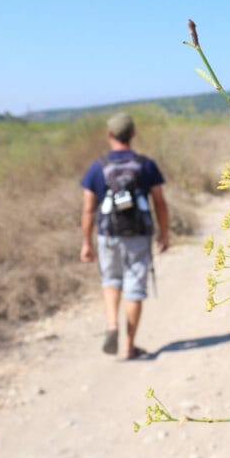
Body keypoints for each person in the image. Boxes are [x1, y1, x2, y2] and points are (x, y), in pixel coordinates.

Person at [80, 112, 169, 360]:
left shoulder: (97, 168)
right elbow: (160, 202)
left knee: (111, 281)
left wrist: (86, 243)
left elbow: (88, 209)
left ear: (109, 134)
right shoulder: (146, 165)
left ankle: (112, 325)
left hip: (108, 235)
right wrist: (164, 234)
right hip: (139, 236)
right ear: (133, 134)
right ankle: (128, 346)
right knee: (134, 290)